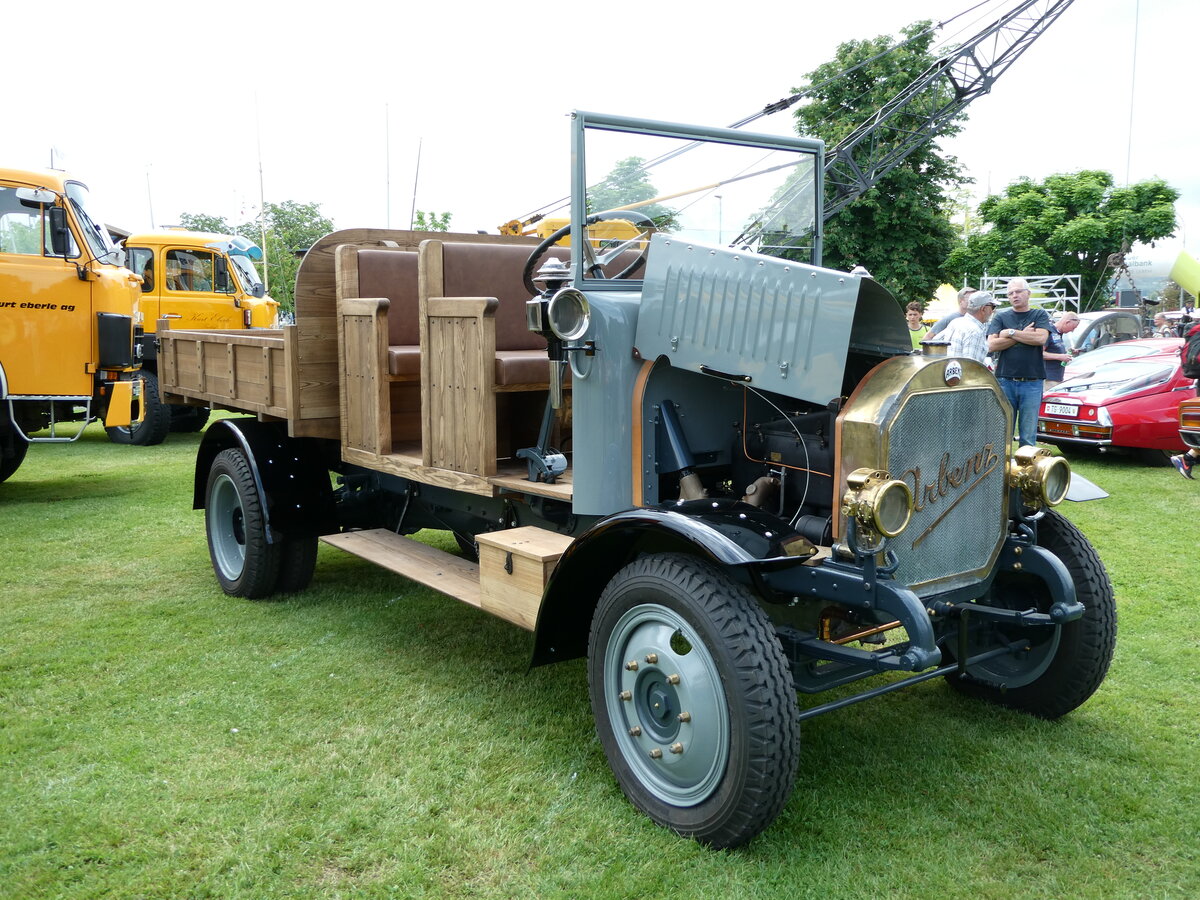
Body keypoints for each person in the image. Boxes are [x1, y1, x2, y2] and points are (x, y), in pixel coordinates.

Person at [987, 277, 1051, 448]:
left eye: (1018, 292)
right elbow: (992, 344)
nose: (1014, 296)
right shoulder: (1001, 316)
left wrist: (1011, 333)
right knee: (1003, 432)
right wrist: (1024, 335)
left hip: (1032, 381)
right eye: (1010, 293)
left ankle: (1026, 472)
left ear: (1028, 293)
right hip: (1005, 380)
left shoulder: (1039, 314)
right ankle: (1002, 472)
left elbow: (1041, 338)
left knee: (1028, 436)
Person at [942, 290, 996, 363]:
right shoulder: (975, 331)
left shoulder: (955, 322)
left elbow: (934, 342)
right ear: (983, 309)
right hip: (963, 373)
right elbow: (971, 367)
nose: (993, 311)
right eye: (993, 307)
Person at [1043, 311, 1080, 388]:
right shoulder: (1048, 331)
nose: (1072, 331)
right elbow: (1038, 353)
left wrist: (1068, 351)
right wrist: (1060, 357)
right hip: (1049, 378)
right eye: (1073, 328)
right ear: (1067, 322)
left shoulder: (1059, 333)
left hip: (1057, 377)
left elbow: (1054, 349)